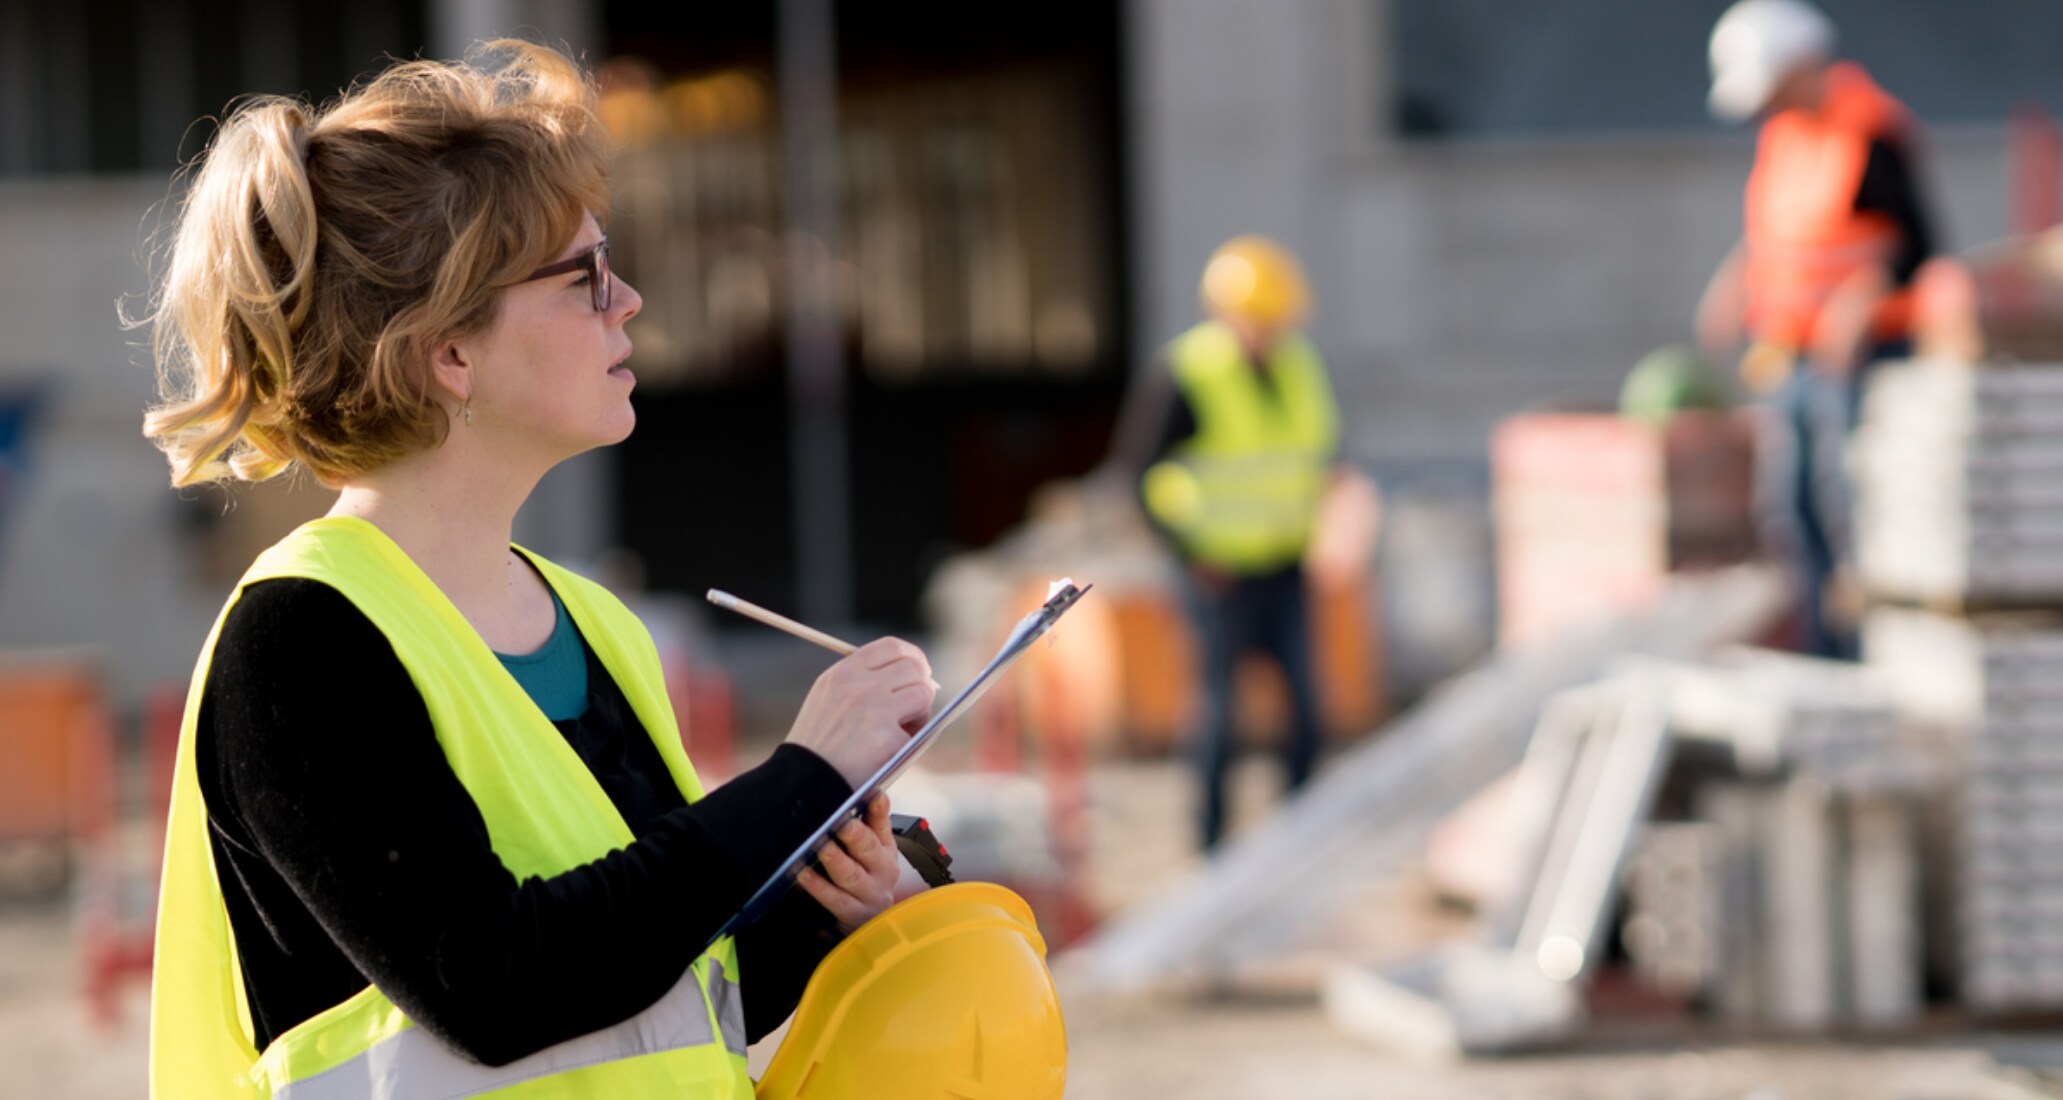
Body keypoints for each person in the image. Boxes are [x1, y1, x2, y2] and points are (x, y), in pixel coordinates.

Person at [142, 42, 939, 1098]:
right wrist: (795, 781)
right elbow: (491, 982)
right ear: (449, 350)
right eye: (586, 277)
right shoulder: (299, 642)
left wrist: (835, 898)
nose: (630, 302)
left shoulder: (594, 622)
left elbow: (667, 980)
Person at [1695, 0, 1939, 659]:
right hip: (1791, 354)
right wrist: (1737, 277)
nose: (1765, 105)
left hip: (1862, 358)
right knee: (1793, 513)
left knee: (1852, 510)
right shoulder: (1787, 135)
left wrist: (1861, 303)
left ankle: (1870, 657)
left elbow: (1914, 247)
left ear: (1801, 65)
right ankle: (1825, 656)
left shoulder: (1870, 131)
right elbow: (1786, 236)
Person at [1129, 235, 1341, 850]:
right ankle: (1212, 846)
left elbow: (1315, 456)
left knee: (1307, 709)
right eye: (1260, 320)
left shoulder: (1300, 366)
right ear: (1227, 314)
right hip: (1216, 575)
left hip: (1286, 562)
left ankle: (1298, 836)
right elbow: (1138, 474)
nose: (1270, 332)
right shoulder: (1188, 372)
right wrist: (1191, 552)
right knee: (1222, 715)